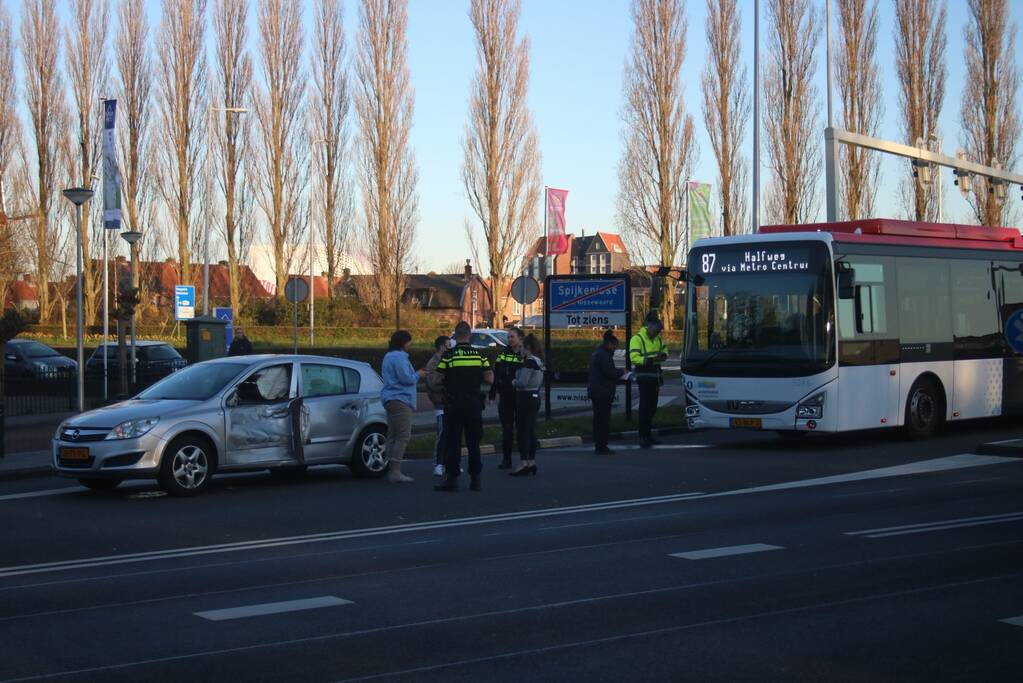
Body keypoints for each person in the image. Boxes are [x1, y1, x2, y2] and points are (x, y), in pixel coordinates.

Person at [435, 321, 493, 492]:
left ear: (455, 335)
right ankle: (475, 479)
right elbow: (489, 378)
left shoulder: (449, 356)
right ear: (469, 335)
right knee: (473, 443)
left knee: (453, 442)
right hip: (474, 404)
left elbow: (437, 380)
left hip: (453, 405)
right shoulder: (479, 355)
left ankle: (452, 479)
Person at [380, 330, 426, 483]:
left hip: (389, 398)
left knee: (392, 434)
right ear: (403, 342)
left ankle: (388, 466)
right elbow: (406, 378)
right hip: (401, 399)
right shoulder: (399, 357)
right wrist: (419, 374)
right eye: (409, 342)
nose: (410, 345)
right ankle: (395, 471)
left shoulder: (388, 356)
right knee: (403, 435)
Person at [630, 311, 668, 448]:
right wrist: (649, 361)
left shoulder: (657, 339)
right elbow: (634, 358)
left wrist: (664, 355)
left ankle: (648, 435)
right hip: (644, 376)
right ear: (650, 327)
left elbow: (664, 348)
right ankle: (643, 436)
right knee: (645, 408)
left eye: (659, 332)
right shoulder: (637, 339)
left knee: (652, 407)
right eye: (656, 331)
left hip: (655, 376)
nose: (658, 334)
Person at [489, 327, 524, 469]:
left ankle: (524, 459)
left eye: (512, 337)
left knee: (522, 428)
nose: (509, 339)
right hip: (506, 395)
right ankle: (506, 459)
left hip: (522, 395)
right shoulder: (503, 353)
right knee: (507, 428)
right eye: (508, 337)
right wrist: (492, 393)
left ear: (520, 338)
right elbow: (496, 374)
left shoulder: (525, 354)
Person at [510, 333, 545, 476]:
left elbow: (522, 382)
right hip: (535, 396)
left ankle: (524, 462)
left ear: (528, 348)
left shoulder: (529, 362)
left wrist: (513, 382)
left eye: (522, 347)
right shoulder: (539, 361)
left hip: (525, 397)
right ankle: (531, 461)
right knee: (530, 430)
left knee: (523, 431)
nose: (521, 350)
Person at [588, 330, 624, 454]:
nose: (615, 349)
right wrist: (622, 372)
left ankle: (599, 444)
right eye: (615, 346)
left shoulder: (598, 353)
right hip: (603, 392)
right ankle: (602, 445)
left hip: (596, 391)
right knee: (603, 420)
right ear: (610, 344)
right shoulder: (605, 355)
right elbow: (609, 372)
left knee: (598, 419)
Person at [425, 335, 449, 476]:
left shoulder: (444, 360)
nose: (450, 348)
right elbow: (433, 383)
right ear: (441, 347)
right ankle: (439, 464)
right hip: (440, 401)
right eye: (448, 345)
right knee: (442, 433)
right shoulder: (433, 363)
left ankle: (448, 463)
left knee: (450, 433)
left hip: (448, 401)